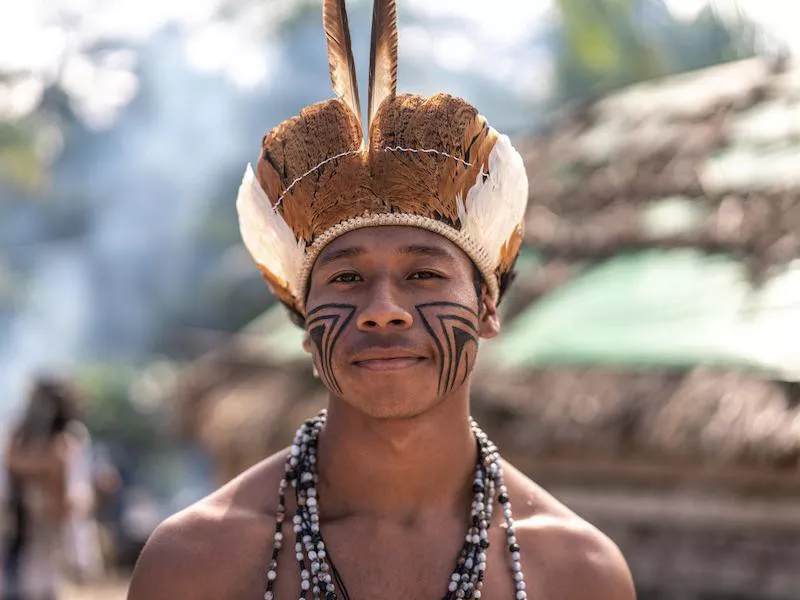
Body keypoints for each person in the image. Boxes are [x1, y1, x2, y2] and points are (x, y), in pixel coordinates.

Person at [128, 1, 636, 598]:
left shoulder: (577, 572)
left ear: (488, 309)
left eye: (424, 275)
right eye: (345, 279)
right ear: (303, 321)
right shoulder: (197, 563)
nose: (382, 307)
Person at [1, 375, 101, 600]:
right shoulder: (19, 432)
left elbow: (71, 495)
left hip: (51, 528)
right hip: (21, 524)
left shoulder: (70, 437)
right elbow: (13, 462)